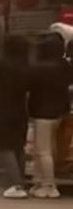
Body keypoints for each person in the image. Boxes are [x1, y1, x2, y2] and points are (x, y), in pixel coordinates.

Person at [0, 36, 30, 198]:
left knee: (4, 147)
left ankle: (15, 184)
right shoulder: (26, 66)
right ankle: (21, 182)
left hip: (1, 110)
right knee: (18, 147)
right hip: (20, 110)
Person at [26, 31, 69, 199]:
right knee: (48, 148)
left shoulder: (39, 68)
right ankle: (41, 182)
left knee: (43, 150)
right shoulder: (64, 66)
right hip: (58, 112)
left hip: (42, 112)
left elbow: (30, 87)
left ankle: (49, 185)